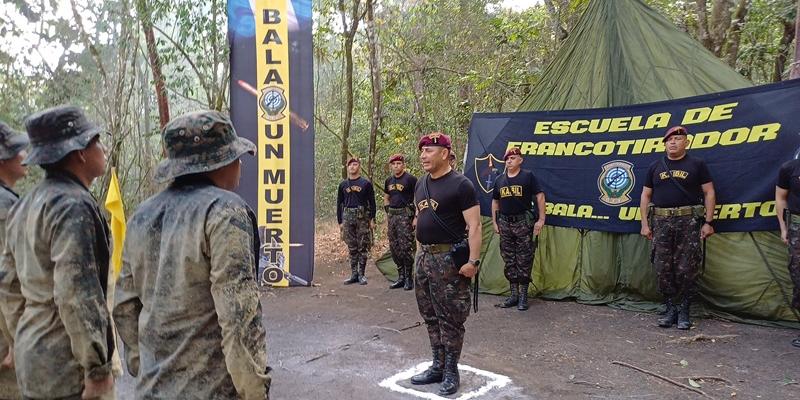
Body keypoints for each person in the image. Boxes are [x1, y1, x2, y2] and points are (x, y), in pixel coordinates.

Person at [113, 110, 271, 398]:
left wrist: (143, 362)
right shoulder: (225, 211)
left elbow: (124, 304)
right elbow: (239, 318)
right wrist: (255, 390)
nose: (239, 165)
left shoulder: (141, 215)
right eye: (236, 157)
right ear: (220, 162)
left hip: (153, 389)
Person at [0, 105, 115, 399]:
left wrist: (20, 338)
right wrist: (97, 369)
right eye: (96, 141)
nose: (102, 149)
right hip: (68, 367)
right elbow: (76, 293)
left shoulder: (25, 205)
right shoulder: (72, 206)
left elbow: (9, 287)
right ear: (80, 152)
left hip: (33, 357)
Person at [410, 132, 481, 396]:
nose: (423, 155)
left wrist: (473, 261)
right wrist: (419, 253)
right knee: (429, 314)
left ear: (444, 153)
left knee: (450, 318)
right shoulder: (420, 184)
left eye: (429, 150)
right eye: (422, 151)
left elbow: (474, 226)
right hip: (424, 258)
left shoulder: (461, 185)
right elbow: (419, 219)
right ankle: (437, 366)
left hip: (449, 261)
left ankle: (452, 371)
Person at [640, 125, 715, 330]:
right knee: (662, 266)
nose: (673, 142)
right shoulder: (655, 166)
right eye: (669, 140)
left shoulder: (697, 164)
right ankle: (670, 307)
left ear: (686, 142)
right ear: (664, 144)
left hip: (688, 221)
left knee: (686, 266)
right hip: (661, 222)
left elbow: (709, 192)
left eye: (677, 139)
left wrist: (708, 222)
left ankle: (684, 309)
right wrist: (644, 224)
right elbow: (646, 195)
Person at [491, 147, 545, 311]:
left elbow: (540, 196)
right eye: (507, 159)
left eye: (513, 158)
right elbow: (495, 202)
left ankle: (523, 296)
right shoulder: (500, 180)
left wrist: (541, 219)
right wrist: (495, 222)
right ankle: (513, 295)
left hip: (523, 223)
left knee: (524, 259)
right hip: (505, 223)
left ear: (520, 160)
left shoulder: (528, 176)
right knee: (509, 259)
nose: (509, 161)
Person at [0, 121, 28, 400]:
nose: (24, 156)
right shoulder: (6, 207)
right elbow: (7, 279)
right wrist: (18, 338)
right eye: (17, 150)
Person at [337, 157, 376, 285]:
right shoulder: (343, 185)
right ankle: (354, 274)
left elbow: (372, 202)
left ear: (359, 166)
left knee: (362, 246)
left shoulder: (366, 184)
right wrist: (340, 222)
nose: (352, 167)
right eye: (350, 165)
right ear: (347, 168)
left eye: (355, 164)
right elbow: (339, 203)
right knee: (352, 246)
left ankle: (362, 274)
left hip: (362, 218)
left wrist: (372, 219)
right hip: (348, 217)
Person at [775, 157, 800, 347]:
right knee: (798, 276)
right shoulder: (789, 167)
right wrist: (784, 227)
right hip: (797, 228)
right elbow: (781, 198)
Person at [384, 154, 417, 290]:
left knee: (406, 247)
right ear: (391, 166)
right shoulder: (389, 180)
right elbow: (386, 197)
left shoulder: (411, 179)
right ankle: (401, 277)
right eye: (394, 164)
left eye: (399, 163)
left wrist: (416, 216)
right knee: (395, 247)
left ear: (403, 165)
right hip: (393, 216)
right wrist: (388, 211)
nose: (396, 166)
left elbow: (418, 197)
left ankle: (409, 278)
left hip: (405, 216)